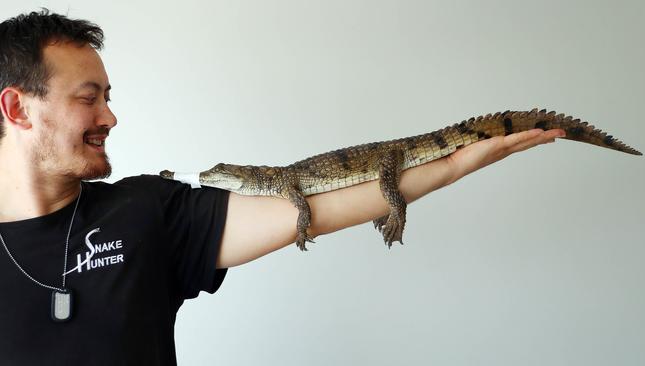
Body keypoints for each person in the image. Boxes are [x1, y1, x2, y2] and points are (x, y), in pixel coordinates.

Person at [0, 9, 564, 366]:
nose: (110, 117)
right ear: (17, 108)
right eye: (88, 97)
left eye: (109, 96)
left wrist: (458, 162)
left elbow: (317, 208)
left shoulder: (149, 210)